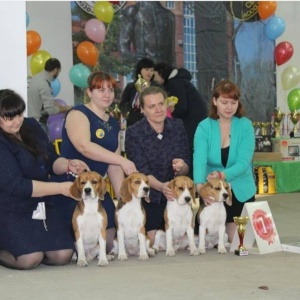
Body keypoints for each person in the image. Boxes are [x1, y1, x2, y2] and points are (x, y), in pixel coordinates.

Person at [0, 89, 89, 270]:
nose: (17, 121)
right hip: (10, 208)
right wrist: (61, 188)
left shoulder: (31, 126)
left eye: (19, 114)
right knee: (29, 259)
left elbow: (51, 159)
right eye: (9, 118)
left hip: (41, 204)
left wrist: (67, 165)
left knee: (63, 254)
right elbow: (18, 186)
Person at [56, 71, 137, 252]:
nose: (107, 94)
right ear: (89, 92)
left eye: (110, 90)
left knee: (107, 243)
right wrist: (121, 160)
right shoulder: (78, 113)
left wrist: (122, 199)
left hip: (97, 189)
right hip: (72, 185)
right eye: (100, 90)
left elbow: (114, 165)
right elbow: (84, 146)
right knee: (68, 249)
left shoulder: (114, 123)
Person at [125, 86, 190, 245]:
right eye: (151, 106)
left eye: (161, 104)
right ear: (142, 109)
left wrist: (182, 167)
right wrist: (162, 187)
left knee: (184, 241)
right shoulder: (134, 133)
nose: (158, 109)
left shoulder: (178, 126)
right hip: (150, 197)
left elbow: (187, 164)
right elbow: (142, 172)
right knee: (151, 242)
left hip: (177, 195)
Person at [193, 80, 256, 243]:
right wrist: (201, 189)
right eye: (224, 102)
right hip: (212, 191)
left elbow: (243, 163)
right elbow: (199, 161)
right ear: (214, 101)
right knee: (208, 238)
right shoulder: (203, 127)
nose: (229, 107)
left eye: (233, 103)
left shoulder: (246, 126)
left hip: (241, 190)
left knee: (237, 241)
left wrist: (222, 174)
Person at [153, 62, 208, 178]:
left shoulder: (175, 83)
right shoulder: (181, 81)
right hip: (196, 125)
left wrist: (170, 111)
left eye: (155, 75)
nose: (155, 79)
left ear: (161, 73)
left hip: (191, 127)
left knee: (190, 155)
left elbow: (182, 108)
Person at [27, 58, 72, 132]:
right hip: (38, 123)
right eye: (59, 72)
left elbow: (44, 100)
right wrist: (67, 109)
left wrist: (61, 106)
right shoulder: (45, 86)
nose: (58, 74)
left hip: (30, 119)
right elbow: (51, 110)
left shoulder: (36, 78)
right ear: (55, 70)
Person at [119, 58, 156, 127]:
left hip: (153, 123)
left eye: (151, 70)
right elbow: (122, 105)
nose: (149, 72)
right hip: (134, 123)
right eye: (147, 70)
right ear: (140, 70)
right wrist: (131, 108)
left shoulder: (156, 87)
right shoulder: (131, 87)